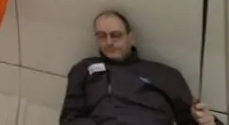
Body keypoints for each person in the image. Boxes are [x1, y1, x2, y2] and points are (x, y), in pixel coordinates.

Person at [60, 11, 218, 125]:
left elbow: (191, 119)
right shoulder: (84, 69)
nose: (108, 42)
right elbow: (68, 119)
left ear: (131, 38)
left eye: (115, 35)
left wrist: (209, 123)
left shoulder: (165, 74)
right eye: (101, 36)